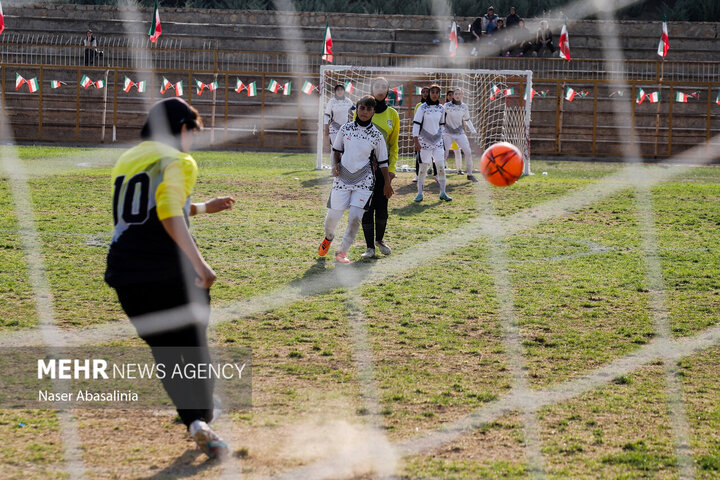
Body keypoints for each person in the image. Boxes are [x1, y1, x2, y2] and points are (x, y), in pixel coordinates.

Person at [104, 98, 235, 460]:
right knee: (193, 347)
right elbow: (166, 213)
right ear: (182, 129)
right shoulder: (179, 159)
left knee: (165, 352)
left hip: (124, 273)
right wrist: (202, 266)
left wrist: (205, 207)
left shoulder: (129, 158)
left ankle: (195, 422)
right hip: (169, 270)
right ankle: (204, 413)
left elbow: (154, 204)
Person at [318, 95, 393, 263]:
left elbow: (383, 162)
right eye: (362, 108)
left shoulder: (376, 135)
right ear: (357, 109)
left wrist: (387, 183)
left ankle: (342, 252)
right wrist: (335, 165)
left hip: (364, 182)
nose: (364, 112)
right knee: (331, 218)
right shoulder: (345, 129)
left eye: (368, 109)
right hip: (342, 179)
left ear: (373, 111)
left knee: (354, 218)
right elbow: (336, 150)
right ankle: (328, 237)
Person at [359, 77, 399, 259]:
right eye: (377, 86)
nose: (380, 89)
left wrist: (391, 169)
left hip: (383, 171)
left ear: (388, 90)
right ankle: (369, 248)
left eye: (384, 86)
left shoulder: (393, 114)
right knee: (366, 207)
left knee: (382, 207)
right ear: (372, 88)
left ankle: (379, 240)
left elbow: (394, 145)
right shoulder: (362, 110)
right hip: (364, 168)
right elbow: (356, 140)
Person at [413, 84, 450, 202]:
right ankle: (419, 194)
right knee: (423, 168)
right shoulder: (422, 108)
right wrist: (416, 141)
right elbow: (416, 125)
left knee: (440, 167)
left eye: (437, 92)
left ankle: (443, 192)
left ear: (439, 94)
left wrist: (442, 140)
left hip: (438, 142)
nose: (434, 94)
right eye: (432, 92)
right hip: (424, 142)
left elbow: (442, 125)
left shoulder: (441, 108)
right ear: (429, 94)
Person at [443, 88, 478, 182]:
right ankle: (440, 175)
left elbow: (467, 120)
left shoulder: (464, 107)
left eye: (459, 94)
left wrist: (473, 130)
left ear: (462, 96)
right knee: (444, 153)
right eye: (456, 94)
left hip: (459, 133)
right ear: (453, 95)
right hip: (447, 133)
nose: (458, 95)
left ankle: (470, 175)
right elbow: (441, 118)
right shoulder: (446, 105)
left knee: (468, 152)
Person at [444, 90, 464, 174]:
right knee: (442, 151)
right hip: (445, 133)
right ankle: (438, 168)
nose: (452, 96)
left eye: (453, 94)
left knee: (457, 150)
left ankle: (459, 169)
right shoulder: (443, 107)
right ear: (447, 97)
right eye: (449, 95)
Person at [412, 87, 429, 183]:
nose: (425, 94)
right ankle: (418, 176)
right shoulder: (418, 105)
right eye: (423, 92)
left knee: (432, 155)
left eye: (427, 92)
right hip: (421, 134)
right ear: (421, 94)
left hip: (432, 134)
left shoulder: (434, 106)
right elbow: (416, 121)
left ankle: (436, 173)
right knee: (419, 155)